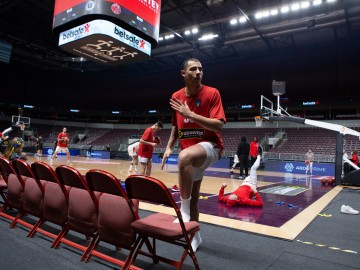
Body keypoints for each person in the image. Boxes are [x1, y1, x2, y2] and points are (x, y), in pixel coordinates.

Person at [161, 58, 226, 252]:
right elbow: (175, 126)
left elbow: (219, 124)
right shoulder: (176, 96)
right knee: (194, 199)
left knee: (184, 158)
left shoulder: (212, 93)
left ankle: (183, 212)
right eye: (193, 69)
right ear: (183, 73)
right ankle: (195, 236)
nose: (198, 72)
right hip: (190, 152)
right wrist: (168, 147)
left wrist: (190, 114)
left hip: (212, 147)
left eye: (201, 69)